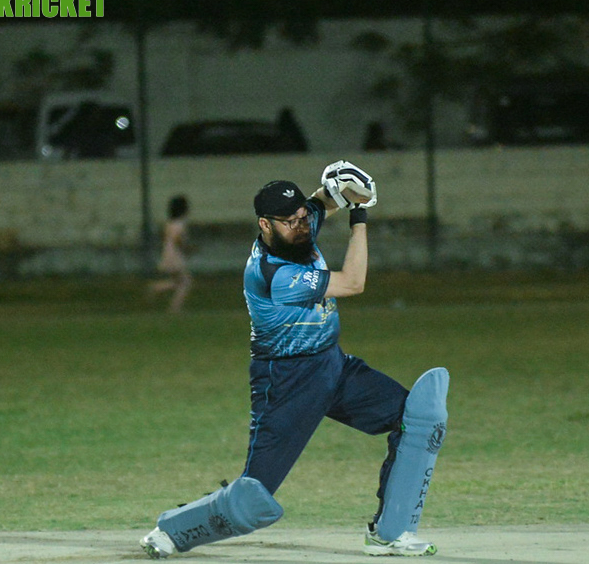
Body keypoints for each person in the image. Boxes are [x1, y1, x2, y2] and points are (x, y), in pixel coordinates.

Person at [140, 161, 449, 559]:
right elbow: (353, 282)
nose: (302, 226)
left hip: (334, 366)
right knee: (254, 496)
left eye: (303, 217)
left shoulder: (296, 230)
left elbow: (323, 200)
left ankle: (391, 532)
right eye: (290, 221)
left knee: (419, 420)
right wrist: (359, 215)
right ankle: (172, 530)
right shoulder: (272, 272)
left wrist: (343, 189)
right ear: (265, 225)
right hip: (285, 381)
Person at [148, 195, 192, 313]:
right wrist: (187, 249)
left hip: (168, 255)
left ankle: (157, 288)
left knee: (178, 282)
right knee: (185, 283)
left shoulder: (169, 223)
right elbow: (178, 240)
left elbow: (165, 238)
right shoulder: (179, 224)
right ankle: (174, 308)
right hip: (175, 257)